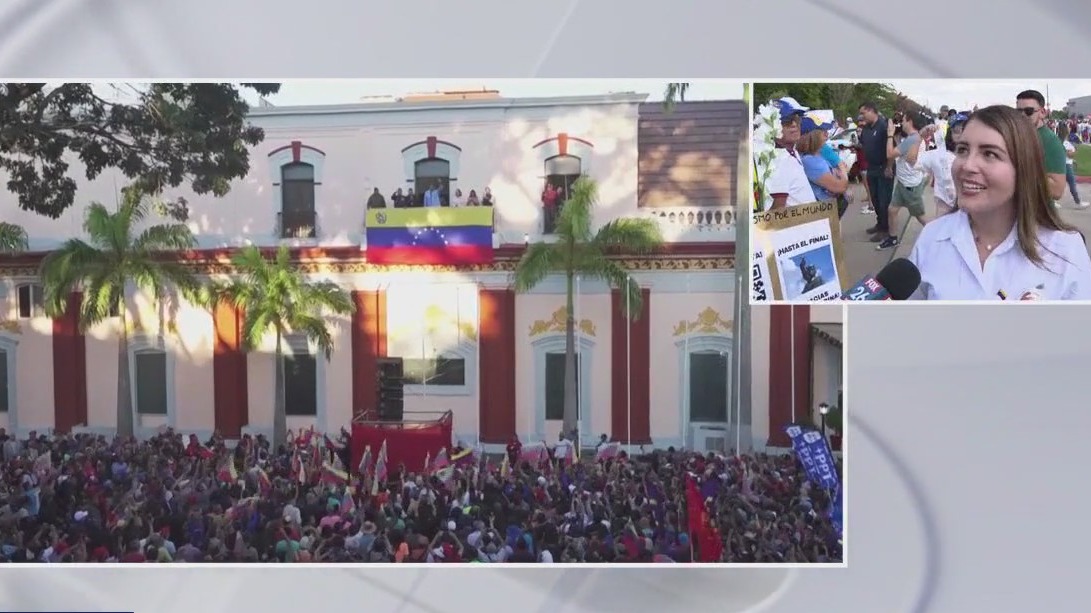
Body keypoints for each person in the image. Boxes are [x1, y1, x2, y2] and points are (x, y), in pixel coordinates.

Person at [908, 105, 1091, 300]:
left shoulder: (1065, 251)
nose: (967, 165)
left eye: (989, 154)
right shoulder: (932, 238)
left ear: (1024, 168)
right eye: (962, 150)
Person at [878, 111, 932, 250]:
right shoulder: (913, 138)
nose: (901, 123)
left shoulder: (912, 139)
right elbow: (899, 153)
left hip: (910, 186)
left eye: (903, 120)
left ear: (910, 121)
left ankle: (940, 236)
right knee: (892, 210)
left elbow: (890, 153)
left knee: (920, 216)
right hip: (904, 183)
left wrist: (890, 134)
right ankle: (893, 239)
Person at [1015, 90, 1068, 204]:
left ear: (1042, 112)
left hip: (1037, 214)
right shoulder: (1018, 136)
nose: (1022, 116)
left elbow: (1057, 190)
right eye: (1018, 111)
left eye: (1028, 111)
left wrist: (1018, 171)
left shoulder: (1050, 142)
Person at [764, 97, 816, 210]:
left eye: (797, 119)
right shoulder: (778, 160)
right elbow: (777, 211)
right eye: (786, 121)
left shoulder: (791, 151)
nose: (794, 124)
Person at [857, 101, 895, 244]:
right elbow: (865, 144)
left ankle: (885, 230)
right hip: (871, 167)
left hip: (884, 167)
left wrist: (889, 167)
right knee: (875, 199)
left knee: (884, 200)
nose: (861, 116)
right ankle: (880, 224)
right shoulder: (866, 128)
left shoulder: (884, 126)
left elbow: (892, 150)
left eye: (863, 113)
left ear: (872, 111)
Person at [914, 119, 959, 218]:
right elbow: (912, 160)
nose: (961, 133)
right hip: (944, 212)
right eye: (956, 130)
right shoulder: (939, 155)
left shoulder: (976, 157)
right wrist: (920, 136)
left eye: (964, 129)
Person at [1059, 124, 1086, 208]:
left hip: (1066, 163)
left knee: (1064, 183)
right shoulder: (1063, 142)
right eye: (1068, 127)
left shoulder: (1062, 141)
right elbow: (1068, 154)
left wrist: (1073, 160)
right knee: (1072, 183)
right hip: (1066, 165)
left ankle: (1051, 202)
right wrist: (1074, 151)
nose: (1069, 128)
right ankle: (1078, 202)